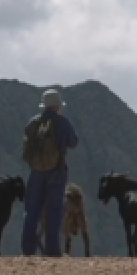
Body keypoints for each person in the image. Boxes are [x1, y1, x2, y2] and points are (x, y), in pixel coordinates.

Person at [21, 88, 79, 257]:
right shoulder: (63, 123)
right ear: (58, 106)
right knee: (54, 210)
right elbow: (73, 142)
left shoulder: (33, 122)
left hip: (36, 171)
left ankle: (28, 249)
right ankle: (53, 250)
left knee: (32, 210)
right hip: (57, 170)